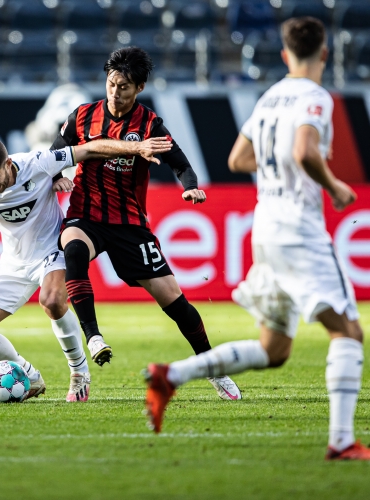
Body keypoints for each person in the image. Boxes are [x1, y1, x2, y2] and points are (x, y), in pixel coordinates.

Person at [143, 17, 370, 460]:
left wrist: (274, 166)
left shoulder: (269, 98)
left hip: (265, 228)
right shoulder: (315, 97)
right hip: (299, 228)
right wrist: (335, 185)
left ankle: (171, 375)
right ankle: (342, 441)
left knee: (274, 350)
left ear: (285, 55)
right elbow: (304, 151)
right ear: (325, 54)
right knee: (348, 332)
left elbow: (238, 157)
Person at [0, 136, 172, 401]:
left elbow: (89, 150)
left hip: (51, 251)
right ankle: (29, 374)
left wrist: (136, 148)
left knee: (52, 300)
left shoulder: (38, 163)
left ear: (8, 163)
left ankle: (79, 371)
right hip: (12, 263)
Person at [51, 47, 240, 400]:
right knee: (73, 248)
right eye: (111, 84)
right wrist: (57, 175)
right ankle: (93, 338)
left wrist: (191, 188)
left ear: (139, 88)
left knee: (174, 301)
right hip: (86, 214)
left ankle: (213, 367)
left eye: (124, 86)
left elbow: (181, 163)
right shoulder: (82, 116)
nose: (115, 92)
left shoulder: (148, 125)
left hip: (129, 224)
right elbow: (56, 150)